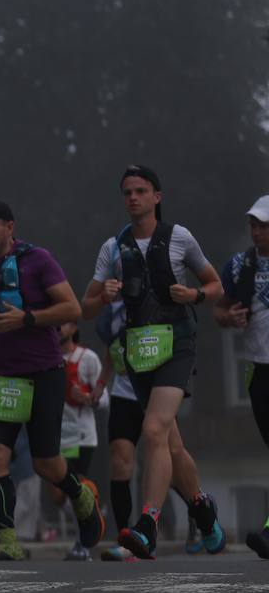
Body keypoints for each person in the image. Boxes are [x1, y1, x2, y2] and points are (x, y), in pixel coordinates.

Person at [79, 165, 224, 559]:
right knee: (171, 445)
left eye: (141, 191)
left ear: (157, 196)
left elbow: (215, 286)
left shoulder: (179, 238)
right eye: (127, 192)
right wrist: (104, 295)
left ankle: (146, 525)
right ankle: (204, 509)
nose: (133, 198)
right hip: (139, 350)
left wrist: (192, 296)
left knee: (154, 429)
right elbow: (85, 309)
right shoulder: (113, 248)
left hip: (177, 345)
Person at [0, 199, 103, 561]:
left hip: (45, 373)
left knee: (44, 462)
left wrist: (27, 319)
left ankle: (82, 497)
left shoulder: (38, 260)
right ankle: (7, 539)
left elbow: (72, 309)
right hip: (3, 377)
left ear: (9, 227)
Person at [215, 195, 269, 557]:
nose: (256, 231)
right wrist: (229, 318)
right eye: (253, 224)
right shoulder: (238, 265)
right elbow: (219, 309)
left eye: (263, 225)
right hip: (258, 368)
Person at [54, 323, 104, 560]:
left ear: (74, 327)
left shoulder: (88, 358)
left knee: (77, 488)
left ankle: (82, 544)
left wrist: (85, 397)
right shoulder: (47, 357)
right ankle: (91, 516)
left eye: (62, 323)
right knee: (57, 493)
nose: (57, 328)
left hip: (82, 435)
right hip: (57, 435)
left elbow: (105, 401)